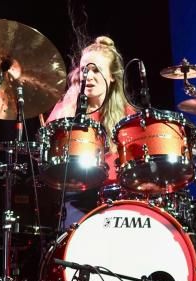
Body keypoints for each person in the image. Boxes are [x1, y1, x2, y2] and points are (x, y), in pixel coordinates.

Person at [45, 35, 136, 227]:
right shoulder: (66, 109)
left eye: (96, 70)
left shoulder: (128, 115)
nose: (89, 76)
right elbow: (47, 149)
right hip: (78, 194)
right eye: (85, 69)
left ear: (112, 76)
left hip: (119, 196)